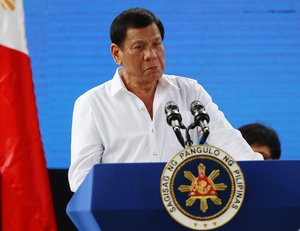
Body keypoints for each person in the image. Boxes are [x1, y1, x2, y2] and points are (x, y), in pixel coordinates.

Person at [68, 8, 263, 192]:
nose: (151, 55)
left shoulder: (190, 91)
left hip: (184, 212)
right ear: (116, 53)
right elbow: (81, 179)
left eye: (157, 44)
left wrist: (264, 177)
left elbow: (230, 144)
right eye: (139, 47)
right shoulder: (92, 103)